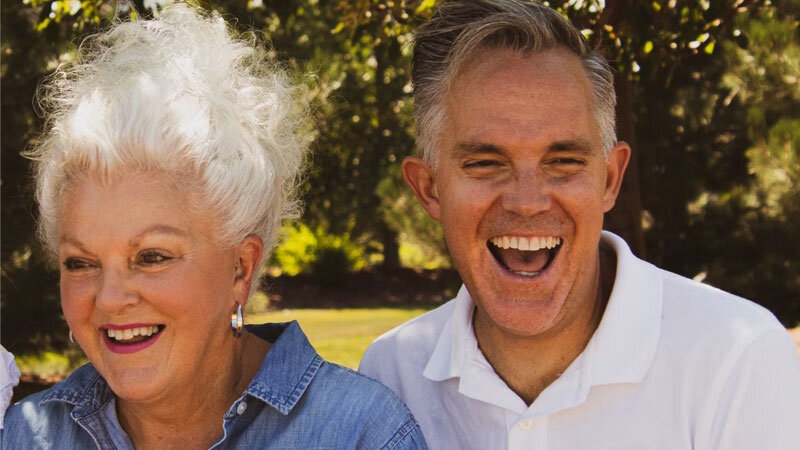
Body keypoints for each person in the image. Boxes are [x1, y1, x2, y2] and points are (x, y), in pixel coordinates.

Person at [359, 0, 800, 448]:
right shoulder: (391, 375)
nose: (527, 202)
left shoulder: (737, 360)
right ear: (429, 189)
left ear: (610, 180)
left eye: (564, 161)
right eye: (486, 163)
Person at [3, 5, 426, 449]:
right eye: (81, 263)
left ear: (240, 268)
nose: (108, 299)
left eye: (151, 257)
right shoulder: (27, 435)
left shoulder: (359, 434)